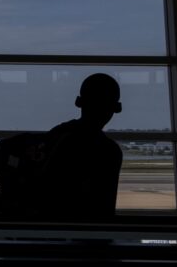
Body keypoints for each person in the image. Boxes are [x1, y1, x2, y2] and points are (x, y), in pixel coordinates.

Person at [37, 73, 124, 217]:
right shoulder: (109, 150)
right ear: (115, 107)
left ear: (79, 102)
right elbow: (104, 206)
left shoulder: (57, 135)